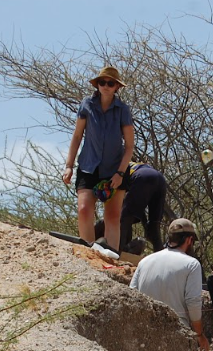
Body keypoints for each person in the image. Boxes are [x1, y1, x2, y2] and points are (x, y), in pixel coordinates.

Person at [62, 66, 134, 252]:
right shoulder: (87, 105)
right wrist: (69, 166)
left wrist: (120, 173)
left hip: (115, 169)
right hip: (88, 166)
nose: (106, 86)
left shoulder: (122, 110)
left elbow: (129, 146)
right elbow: (77, 136)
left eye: (110, 83)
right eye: (102, 82)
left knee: (112, 215)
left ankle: (110, 256)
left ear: (117, 86)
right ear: (97, 84)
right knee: (84, 209)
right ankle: (88, 253)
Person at [130, 218, 210, 351]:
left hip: (144, 334)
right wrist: (199, 335)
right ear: (189, 240)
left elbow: (131, 295)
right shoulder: (191, 264)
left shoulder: (145, 261)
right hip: (176, 335)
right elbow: (193, 302)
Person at [120, 162, 167, 254]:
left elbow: (125, 209)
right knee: (154, 227)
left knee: (124, 218)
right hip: (160, 179)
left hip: (142, 177)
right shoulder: (135, 164)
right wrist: (146, 226)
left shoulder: (117, 167)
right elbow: (138, 208)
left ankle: (119, 252)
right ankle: (162, 258)